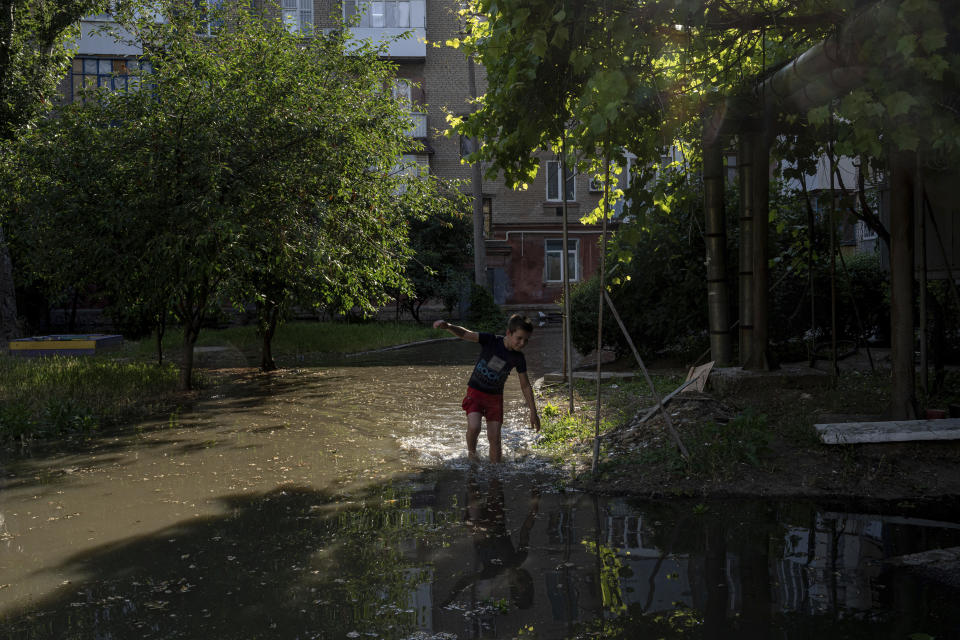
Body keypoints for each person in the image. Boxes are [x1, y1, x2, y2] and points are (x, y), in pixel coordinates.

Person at [433, 314, 541, 462]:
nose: (522, 343)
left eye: (526, 340)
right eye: (519, 338)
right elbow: (466, 334)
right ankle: (472, 454)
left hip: (495, 399)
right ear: (509, 333)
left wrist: (533, 411)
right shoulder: (491, 340)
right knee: (474, 426)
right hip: (475, 393)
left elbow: (525, 385)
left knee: (495, 438)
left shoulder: (518, 358)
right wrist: (449, 326)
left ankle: (495, 474)